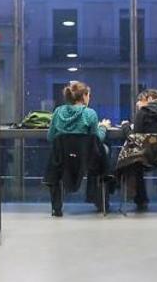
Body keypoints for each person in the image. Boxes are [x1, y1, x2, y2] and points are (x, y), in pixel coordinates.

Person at [44, 81, 111, 217]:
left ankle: (56, 208)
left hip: (62, 160)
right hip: (87, 160)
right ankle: (101, 203)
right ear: (84, 96)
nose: (89, 98)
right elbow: (97, 139)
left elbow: (50, 137)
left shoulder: (58, 112)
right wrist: (103, 127)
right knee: (104, 151)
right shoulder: (90, 113)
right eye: (89, 95)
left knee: (55, 159)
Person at [120, 89, 157, 211]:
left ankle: (140, 200)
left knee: (134, 161)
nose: (137, 103)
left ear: (150, 99)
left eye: (140, 100)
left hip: (145, 156)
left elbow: (134, 137)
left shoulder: (142, 112)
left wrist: (125, 126)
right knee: (138, 159)